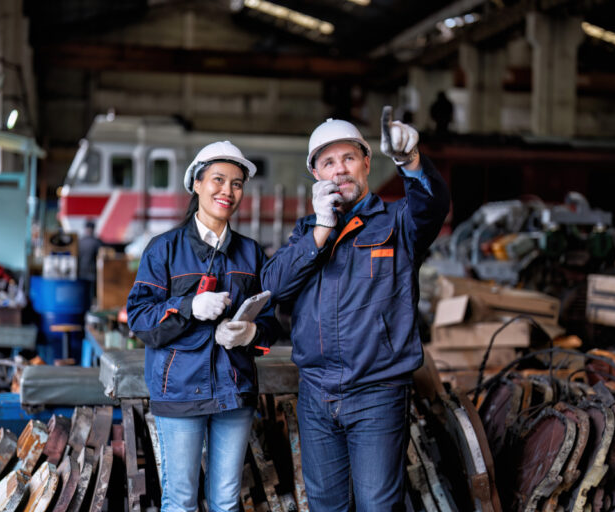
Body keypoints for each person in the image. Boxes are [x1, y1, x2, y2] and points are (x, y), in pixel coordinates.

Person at [261, 107, 450, 511]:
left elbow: (433, 206)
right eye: (328, 162)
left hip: (376, 393)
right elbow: (273, 285)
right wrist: (321, 231)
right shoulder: (306, 233)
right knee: (327, 506)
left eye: (348, 158)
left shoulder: (399, 223)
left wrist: (411, 161)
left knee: (377, 506)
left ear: (367, 163)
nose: (340, 170)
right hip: (315, 394)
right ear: (316, 174)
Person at [127, 141, 281, 512]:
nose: (227, 191)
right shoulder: (163, 249)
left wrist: (251, 333)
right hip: (180, 392)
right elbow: (140, 319)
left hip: (234, 391)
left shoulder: (250, 252)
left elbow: (270, 322)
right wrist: (188, 306)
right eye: (217, 180)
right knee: (180, 501)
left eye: (237, 183)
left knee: (227, 501)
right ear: (196, 184)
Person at [78, 219, 102, 303]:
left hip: (81, 272)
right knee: (91, 294)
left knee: (83, 293)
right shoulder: (97, 242)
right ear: (93, 229)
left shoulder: (80, 241)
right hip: (92, 272)